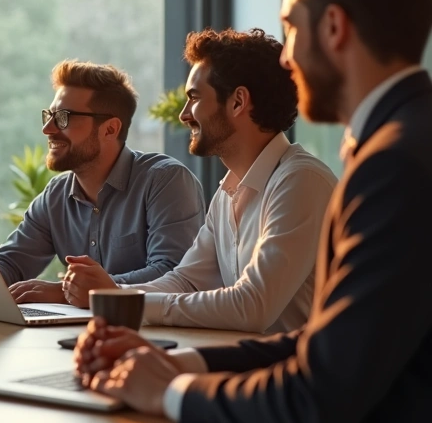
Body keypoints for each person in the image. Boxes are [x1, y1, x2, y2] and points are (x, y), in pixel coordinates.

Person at [54, 0, 432, 423]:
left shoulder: (394, 165)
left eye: (291, 28)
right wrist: (179, 362)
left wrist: (171, 391)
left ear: (333, 27)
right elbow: (326, 343)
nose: (286, 59)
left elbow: (317, 397)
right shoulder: (403, 144)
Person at [59, 28, 336, 334]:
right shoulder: (229, 192)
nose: (184, 114)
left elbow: (253, 306)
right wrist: (110, 296)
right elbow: (186, 281)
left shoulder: (301, 182)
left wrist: (124, 301)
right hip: (244, 357)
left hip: (293, 363)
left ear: (238, 102)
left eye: (194, 98)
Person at [0, 60, 204, 304]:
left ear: (109, 129)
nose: (48, 129)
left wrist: (70, 291)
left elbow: (173, 274)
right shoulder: (55, 195)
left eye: (63, 118)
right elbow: (11, 262)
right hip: (76, 337)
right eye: (49, 116)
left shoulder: (165, 180)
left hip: (153, 338)